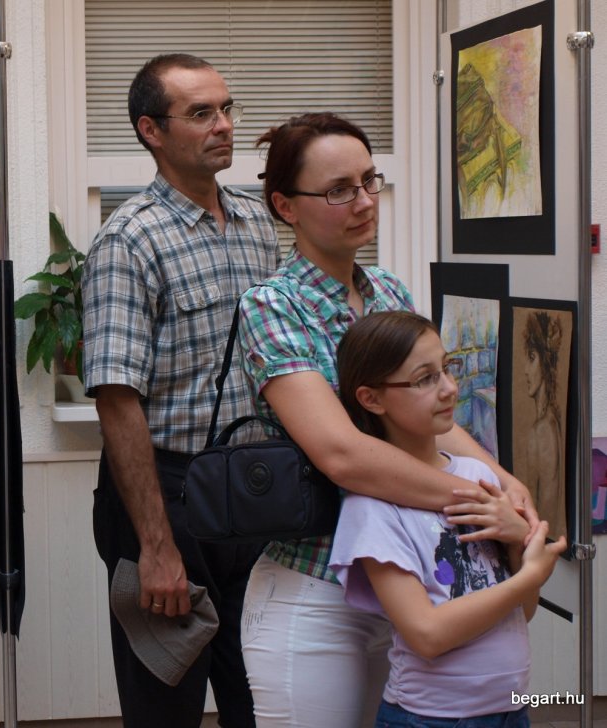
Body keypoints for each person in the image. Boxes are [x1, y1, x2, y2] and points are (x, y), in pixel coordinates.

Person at [236, 112, 538, 727]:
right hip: (319, 589)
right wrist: (482, 501)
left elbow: (432, 417)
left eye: (369, 181)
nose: (364, 201)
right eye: (338, 190)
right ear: (286, 207)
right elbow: (342, 455)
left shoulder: (387, 292)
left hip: (419, 578)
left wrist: (506, 483)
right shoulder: (273, 305)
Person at [82, 53, 280, 728]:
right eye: (200, 113)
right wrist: (156, 547)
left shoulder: (256, 224)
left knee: (262, 699)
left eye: (226, 108)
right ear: (152, 131)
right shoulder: (128, 240)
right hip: (168, 494)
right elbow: (116, 401)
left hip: (251, 491)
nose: (223, 125)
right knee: (165, 705)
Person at [329, 310, 565, 727]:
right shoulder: (371, 509)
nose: (450, 388)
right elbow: (427, 635)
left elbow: (522, 612)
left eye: (447, 368)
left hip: (511, 710)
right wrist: (529, 575)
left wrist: (517, 543)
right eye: (425, 379)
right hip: (430, 718)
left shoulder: (477, 476)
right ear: (371, 399)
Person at [522, 310, 566, 539]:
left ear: (545, 361)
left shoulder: (542, 430)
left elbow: (545, 518)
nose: (525, 370)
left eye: (531, 358)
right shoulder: (550, 422)